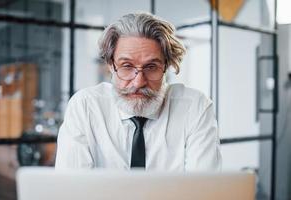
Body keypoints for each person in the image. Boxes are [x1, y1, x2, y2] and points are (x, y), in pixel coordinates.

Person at [55, 12, 222, 171]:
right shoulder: (85, 106)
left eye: (151, 67)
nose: (139, 82)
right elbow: (71, 189)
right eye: (127, 66)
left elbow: (204, 191)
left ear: (166, 67)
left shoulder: (195, 107)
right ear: (110, 65)